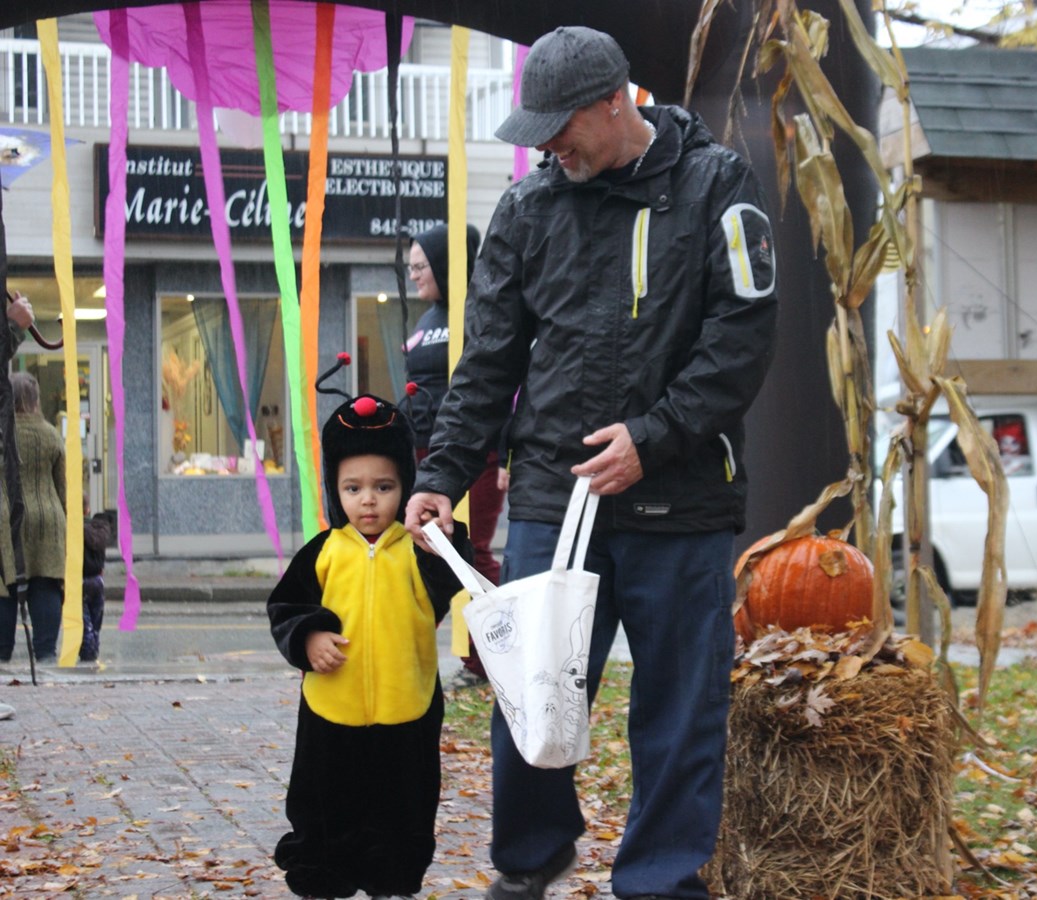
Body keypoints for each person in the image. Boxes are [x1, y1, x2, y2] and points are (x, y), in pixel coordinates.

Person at [405, 26, 777, 900]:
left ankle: (660, 879)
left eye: (558, 125)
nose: (545, 145)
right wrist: (440, 476)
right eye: (533, 129)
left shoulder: (717, 185)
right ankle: (532, 859)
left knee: (680, 713)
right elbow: (488, 358)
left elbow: (742, 340)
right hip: (549, 497)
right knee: (529, 694)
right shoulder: (529, 209)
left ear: (617, 99)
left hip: (681, 499)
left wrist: (654, 438)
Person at [267, 388, 474, 899]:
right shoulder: (323, 552)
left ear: (405, 486)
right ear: (333, 490)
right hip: (330, 714)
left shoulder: (419, 549)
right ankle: (324, 877)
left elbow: (457, 571)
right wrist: (308, 635)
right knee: (325, 808)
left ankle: (393, 881)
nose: (368, 499)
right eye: (353, 487)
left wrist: (439, 536)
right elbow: (285, 608)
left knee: (402, 814)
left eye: (384, 486)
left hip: (407, 712)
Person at [405, 223, 505, 689]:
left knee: (472, 551)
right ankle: (423, 653)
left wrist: (506, 454)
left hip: (475, 453)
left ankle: (492, 660)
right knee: (429, 553)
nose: (413, 276)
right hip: (427, 456)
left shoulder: (478, 312)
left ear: (446, 263)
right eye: (409, 268)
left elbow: (499, 384)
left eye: (421, 266)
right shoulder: (427, 319)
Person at [0, 370, 65, 665]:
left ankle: (2, 652)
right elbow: (62, 484)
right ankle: (46, 652)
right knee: (46, 581)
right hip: (47, 519)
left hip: (6, 519)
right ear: (36, 400)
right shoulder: (51, 434)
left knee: (4, 585)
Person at [79, 515, 111, 662]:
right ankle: (94, 650)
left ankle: (87, 652)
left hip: (81, 580)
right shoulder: (100, 530)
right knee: (96, 619)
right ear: (87, 510)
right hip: (98, 580)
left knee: (84, 621)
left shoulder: (75, 527)